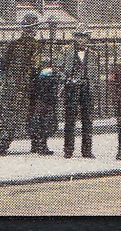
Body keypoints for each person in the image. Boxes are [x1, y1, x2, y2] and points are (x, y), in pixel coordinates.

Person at [0, 13, 43, 154]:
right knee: (31, 113)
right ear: (32, 29)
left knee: (10, 113)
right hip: (27, 84)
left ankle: (3, 144)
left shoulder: (13, 44)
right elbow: (36, 66)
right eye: (34, 28)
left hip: (11, 84)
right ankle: (35, 143)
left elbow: (3, 64)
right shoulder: (35, 45)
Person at [59, 28, 97, 159]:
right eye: (79, 37)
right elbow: (60, 69)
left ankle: (87, 150)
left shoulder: (92, 54)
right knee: (70, 119)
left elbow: (94, 74)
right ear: (74, 37)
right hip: (72, 88)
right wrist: (67, 79)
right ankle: (68, 149)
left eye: (84, 37)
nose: (81, 40)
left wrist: (92, 86)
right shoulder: (66, 51)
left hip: (86, 88)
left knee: (87, 120)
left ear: (87, 39)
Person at [26, 54, 60, 156]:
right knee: (44, 120)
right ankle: (41, 144)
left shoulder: (36, 71)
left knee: (37, 119)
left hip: (37, 98)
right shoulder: (48, 73)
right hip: (44, 99)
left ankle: (36, 144)